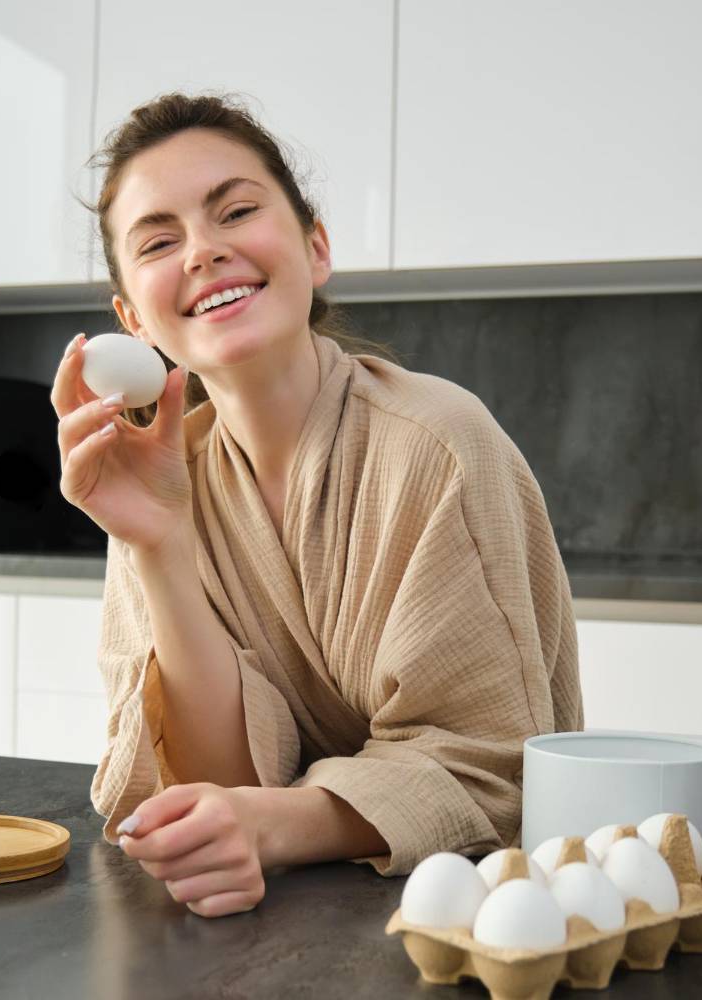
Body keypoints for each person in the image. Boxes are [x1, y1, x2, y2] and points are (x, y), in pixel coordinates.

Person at [50, 93, 582, 918]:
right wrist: (156, 541)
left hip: (464, 917)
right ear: (131, 319)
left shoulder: (438, 443)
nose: (204, 250)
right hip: (258, 917)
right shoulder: (158, 476)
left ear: (316, 245)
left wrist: (276, 825)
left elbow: (490, 763)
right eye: (159, 240)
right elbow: (212, 787)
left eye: (235, 210)